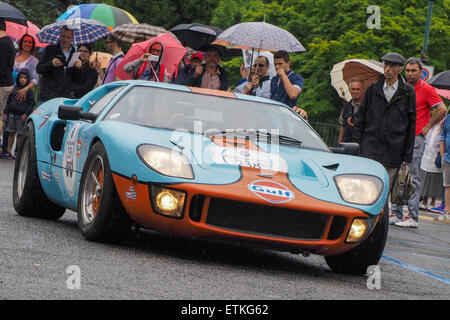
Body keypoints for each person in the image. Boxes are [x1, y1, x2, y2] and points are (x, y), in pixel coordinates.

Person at [352, 52, 416, 219]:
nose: (387, 68)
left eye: (392, 65)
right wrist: (359, 144)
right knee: (365, 187)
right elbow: (361, 118)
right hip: (370, 147)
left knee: (383, 192)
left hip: (393, 150)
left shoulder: (408, 92)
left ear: (400, 69)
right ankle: (361, 219)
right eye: (385, 64)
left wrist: (406, 155)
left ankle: (378, 223)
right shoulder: (373, 88)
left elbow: (411, 124)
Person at [391, 57, 446, 228]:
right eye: (407, 70)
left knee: (413, 177)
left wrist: (427, 126)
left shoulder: (427, 89)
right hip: (401, 137)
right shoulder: (403, 88)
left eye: (413, 71)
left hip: (415, 138)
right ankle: (397, 213)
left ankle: (413, 217)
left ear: (420, 72)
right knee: (399, 177)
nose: (410, 73)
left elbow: (442, 109)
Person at [36, 26, 75, 104]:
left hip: (65, 97)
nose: (65, 39)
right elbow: (39, 69)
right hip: (47, 95)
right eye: (63, 36)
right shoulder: (50, 49)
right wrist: (51, 63)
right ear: (60, 35)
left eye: (68, 37)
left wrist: (78, 67)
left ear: (72, 38)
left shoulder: (74, 53)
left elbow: (75, 76)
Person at [0, 69, 34, 159]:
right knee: (11, 133)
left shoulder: (29, 92)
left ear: (28, 79)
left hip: (21, 116)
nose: (23, 79)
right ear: (18, 78)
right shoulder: (14, 89)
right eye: (21, 77)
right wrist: (5, 113)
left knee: (20, 134)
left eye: (25, 78)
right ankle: (8, 151)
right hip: (12, 115)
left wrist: (26, 114)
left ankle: (18, 152)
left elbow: (31, 104)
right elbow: (8, 101)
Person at [419, 122, 443, 211]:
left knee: (435, 182)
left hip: (435, 158)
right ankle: (424, 201)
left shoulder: (442, 129)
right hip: (426, 158)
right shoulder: (429, 126)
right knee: (425, 181)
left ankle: (433, 202)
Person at [0, 19, 16, 148]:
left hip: (2, 84)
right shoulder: (8, 43)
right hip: (6, 82)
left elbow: (1, 66)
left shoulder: (3, 44)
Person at [337, 78, 364, 144]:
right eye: (353, 89)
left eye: (358, 89)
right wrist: (339, 141)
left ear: (363, 90)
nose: (355, 92)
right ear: (349, 90)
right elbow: (343, 125)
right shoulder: (346, 106)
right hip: (346, 143)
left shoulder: (367, 107)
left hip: (362, 145)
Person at [437, 110, 450, 223]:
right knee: (448, 186)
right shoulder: (448, 118)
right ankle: (447, 212)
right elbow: (443, 137)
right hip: (447, 158)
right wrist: (442, 155)